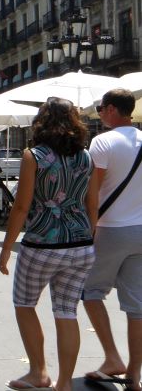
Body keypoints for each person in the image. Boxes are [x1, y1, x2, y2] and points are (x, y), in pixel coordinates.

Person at [0, 97, 99, 391]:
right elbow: (92, 204)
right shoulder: (87, 157)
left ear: (42, 121)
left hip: (42, 245)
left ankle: (39, 372)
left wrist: (6, 248)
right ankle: (64, 383)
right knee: (67, 311)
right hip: (81, 245)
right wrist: (86, 237)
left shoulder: (34, 156)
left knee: (25, 304)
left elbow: (21, 207)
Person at [82, 88, 142, 390]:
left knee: (90, 291)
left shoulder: (102, 142)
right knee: (137, 306)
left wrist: (89, 229)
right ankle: (134, 373)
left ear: (113, 110)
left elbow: (92, 192)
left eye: (101, 108)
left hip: (110, 228)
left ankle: (112, 357)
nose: (99, 113)